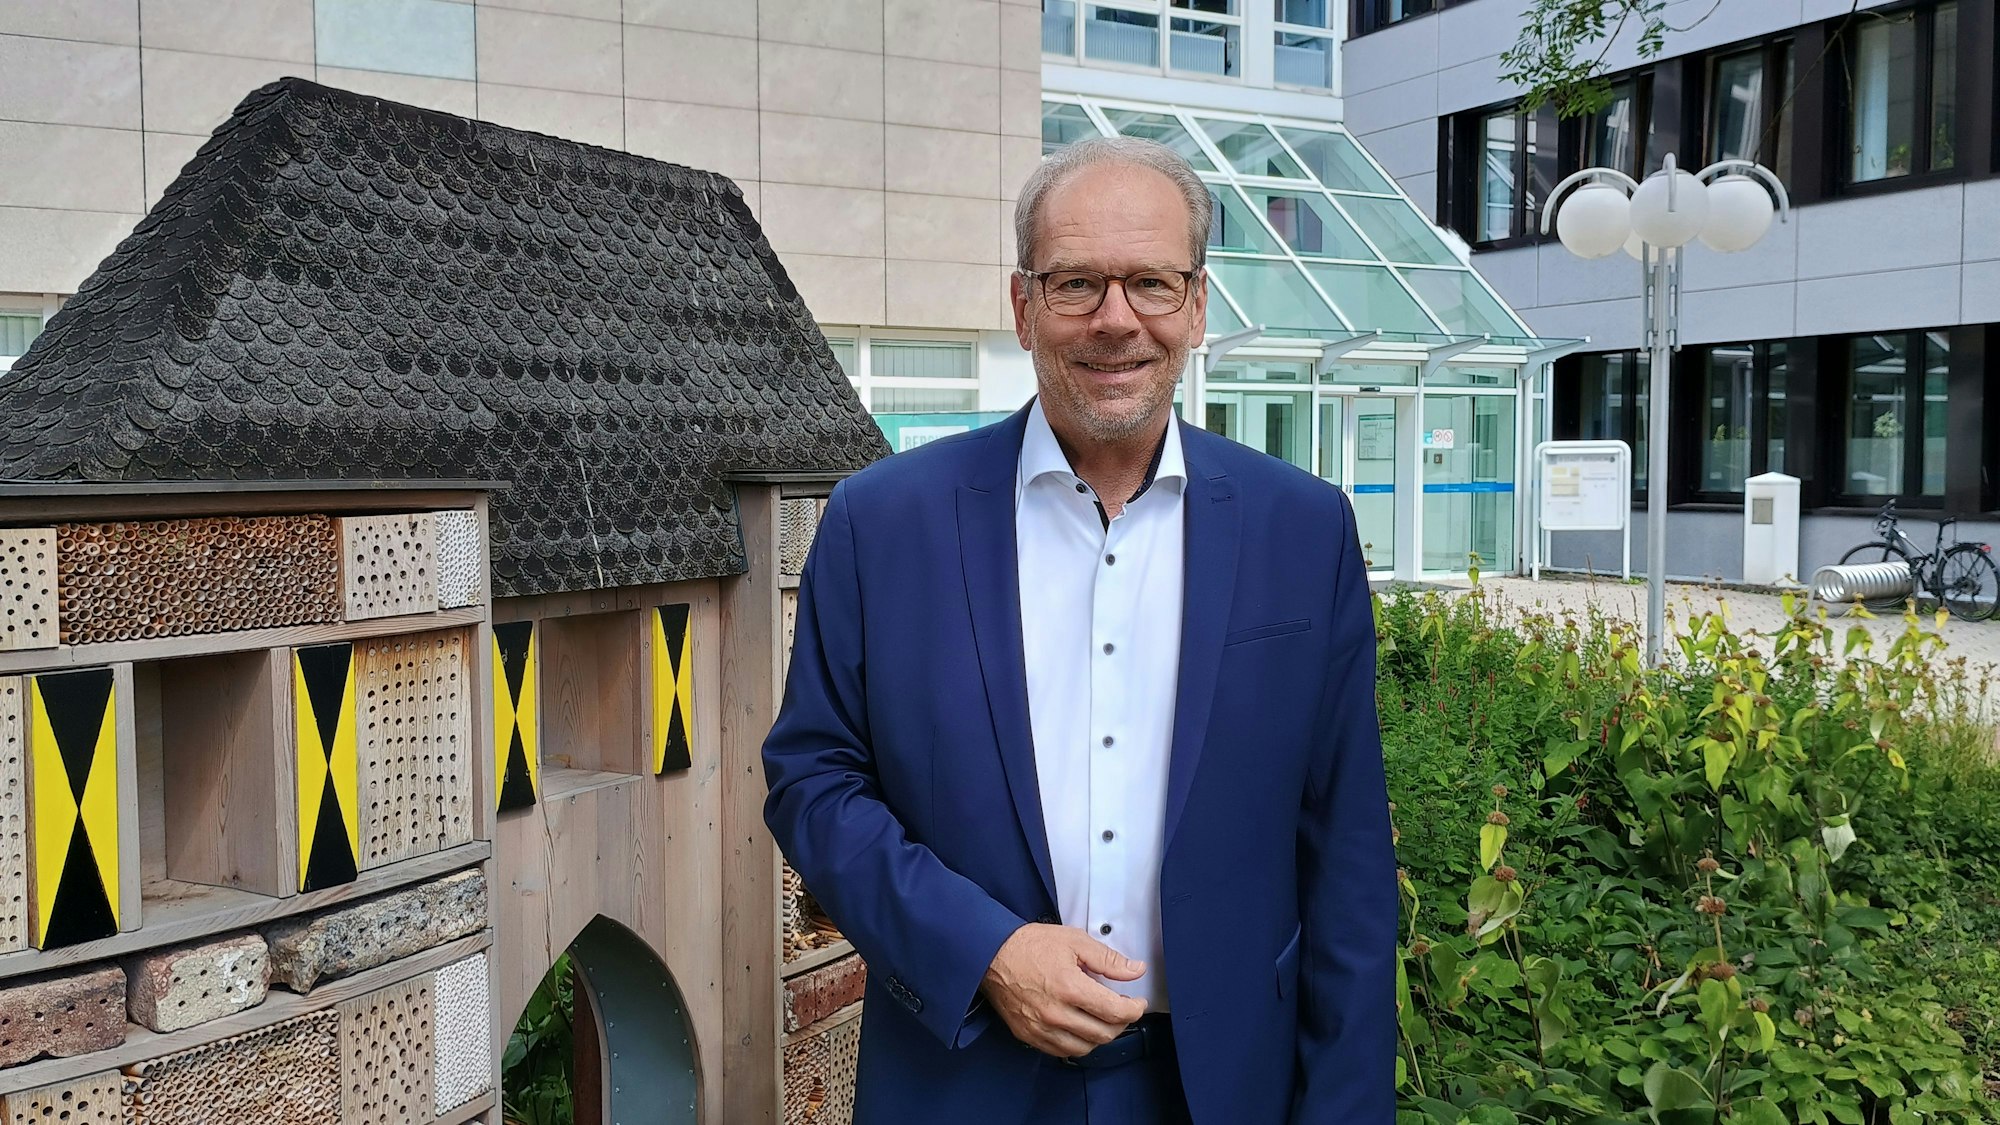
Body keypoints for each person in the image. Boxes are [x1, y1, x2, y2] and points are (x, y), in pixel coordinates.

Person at [762, 135, 1396, 1124]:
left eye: (1148, 282)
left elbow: (1346, 858)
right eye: (1075, 285)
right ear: (1022, 307)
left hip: (1221, 1085)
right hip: (960, 1075)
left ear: (1195, 303)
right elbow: (812, 781)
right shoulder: (881, 523)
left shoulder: (1302, 530)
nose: (1114, 321)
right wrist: (985, 950)